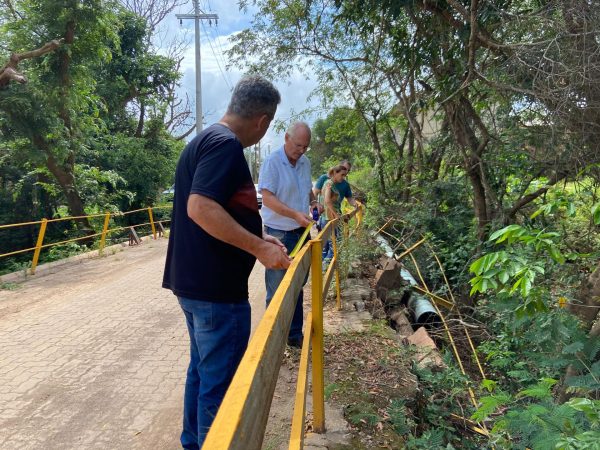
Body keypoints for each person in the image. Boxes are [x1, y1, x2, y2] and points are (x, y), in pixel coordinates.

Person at [162, 75, 290, 450]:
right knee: (220, 387)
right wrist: (260, 249)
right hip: (217, 294)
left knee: (201, 374)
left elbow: (219, 208)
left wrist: (257, 238)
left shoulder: (201, 140)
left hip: (194, 285)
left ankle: (194, 443)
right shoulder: (225, 146)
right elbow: (200, 207)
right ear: (263, 121)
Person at [258, 121, 320, 348]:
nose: (301, 150)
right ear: (286, 138)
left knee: (297, 286)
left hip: (302, 233)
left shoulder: (305, 163)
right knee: (276, 291)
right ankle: (272, 343)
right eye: (297, 145)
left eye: (305, 147)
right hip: (279, 235)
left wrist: (314, 203)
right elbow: (267, 198)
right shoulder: (272, 162)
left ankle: (294, 336)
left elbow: (307, 189)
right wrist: (294, 214)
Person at [321, 165, 348, 262]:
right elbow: (327, 201)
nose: (343, 177)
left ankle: (325, 265)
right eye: (342, 175)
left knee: (328, 244)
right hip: (330, 217)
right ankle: (327, 266)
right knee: (334, 243)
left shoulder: (329, 183)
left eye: (345, 175)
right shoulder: (329, 184)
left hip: (328, 217)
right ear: (334, 173)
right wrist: (336, 214)